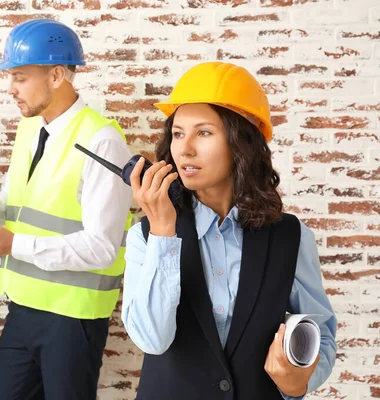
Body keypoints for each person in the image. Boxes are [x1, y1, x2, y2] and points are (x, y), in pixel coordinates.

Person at [121, 61, 337, 399]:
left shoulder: (291, 238)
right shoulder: (145, 236)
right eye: (178, 133)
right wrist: (164, 231)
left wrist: (298, 382)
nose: (185, 148)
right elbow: (152, 339)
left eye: (203, 132)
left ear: (242, 143)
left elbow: (320, 333)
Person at [0, 19, 133, 400]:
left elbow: (102, 246)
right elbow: (20, 204)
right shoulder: (30, 128)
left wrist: (14, 245)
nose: (10, 89)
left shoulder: (102, 141)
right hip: (24, 307)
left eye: (20, 77)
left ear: (57, 75)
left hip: (72, 318)